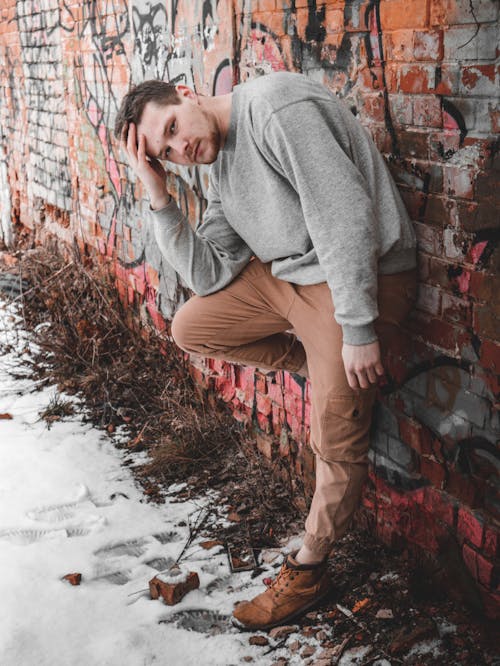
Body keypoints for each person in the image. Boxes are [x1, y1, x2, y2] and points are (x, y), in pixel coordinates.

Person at [115, 71, 417, 631]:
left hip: (357, 273)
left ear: (188, 93)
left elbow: (343, 212)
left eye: (174, 126)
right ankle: (319, 365)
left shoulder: (274, 107)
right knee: (191, 326)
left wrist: (356, 327)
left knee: (334, 429)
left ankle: (310, 569)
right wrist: (158, 196)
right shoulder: (219, 168)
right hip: (294, 280)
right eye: (166, 151)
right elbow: (208, 276)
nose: (181, 147)